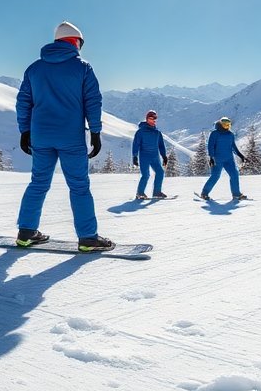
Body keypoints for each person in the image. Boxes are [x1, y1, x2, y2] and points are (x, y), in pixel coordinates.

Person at [15, 21, 113, 252]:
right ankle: (88, 238)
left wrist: (24, 131)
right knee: (79, 187)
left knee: (38, 183)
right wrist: (96, 132)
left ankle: (26, 232)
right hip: (70, 138)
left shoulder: (34, 68)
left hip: (40, 136)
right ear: (76, 42)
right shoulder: (83, 67)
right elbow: (93, 101)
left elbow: (23, 102)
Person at [200, 117, 248, 201]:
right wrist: (211, 157)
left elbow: (233, 147)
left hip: (229, 160)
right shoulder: (214, 134)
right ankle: (204, 193)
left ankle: (236, 194)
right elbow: (210, 146)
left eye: (228, 124)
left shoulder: (230, 134)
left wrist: (240, 155)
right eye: (225, 124)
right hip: (217, 159)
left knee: (234, 174)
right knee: (215, 176)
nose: (226, 126)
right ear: (221, 124)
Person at [132, 110, 168, 200]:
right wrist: (135, 156)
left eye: (154, 119)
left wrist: (164, 156)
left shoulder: (157, 133)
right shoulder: (140, 132)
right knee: (146, 175)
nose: (153, 120)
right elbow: (136, 144)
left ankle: (157, 192)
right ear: (147, 119)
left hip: (155, 157)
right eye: (151, 118)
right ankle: (139, 193)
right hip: (144, 157)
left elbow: (161, 145)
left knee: (160, 172)